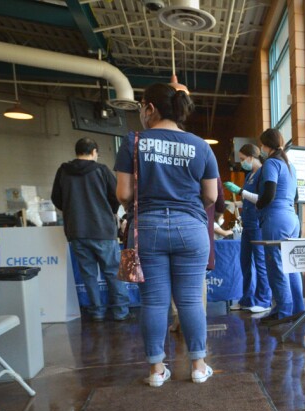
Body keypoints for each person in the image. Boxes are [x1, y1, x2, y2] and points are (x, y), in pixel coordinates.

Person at [115, 83, 218, 387]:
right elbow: (211, 195)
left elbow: (123, 192)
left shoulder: (133, 141)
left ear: (150, 108)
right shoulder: (201, 145)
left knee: (155, 302)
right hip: (192, 228)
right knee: (190, 301)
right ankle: (199, 366)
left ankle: (156, 371)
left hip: (147, 227)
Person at [226, 129, 303, 320]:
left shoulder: (271, 164)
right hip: (292, 219)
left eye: (262, 144)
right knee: (292, 265)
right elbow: (296, 196)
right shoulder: (290, 166)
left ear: (266, 145)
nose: (261, 148)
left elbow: (268, 194)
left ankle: (283, 311)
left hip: (275, 219)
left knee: (275, 265)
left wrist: (259, 207)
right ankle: (298, 308)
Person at [51, 137, 130, 322]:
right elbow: (116, 195)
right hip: (102, 229)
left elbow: (56, 198)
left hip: (76, 230)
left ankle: (97, 312)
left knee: (88, 274)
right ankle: (120, 312)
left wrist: (72, 210)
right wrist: (109, 211)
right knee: (112, 272)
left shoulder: (63, 171)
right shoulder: (101, 170)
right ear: (94, 151)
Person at [223, 143, 272, 313]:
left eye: (244, 159)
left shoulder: (263, 173)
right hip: (248, 223)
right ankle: (247, 299)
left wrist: (240, 191)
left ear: (252, 157)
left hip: (257, 223)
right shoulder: (250, 175)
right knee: (245, 262)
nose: (242, 162)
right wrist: (235, 203)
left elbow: (261, 198)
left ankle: (264, 300)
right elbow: (247, 199)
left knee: (260, 263)